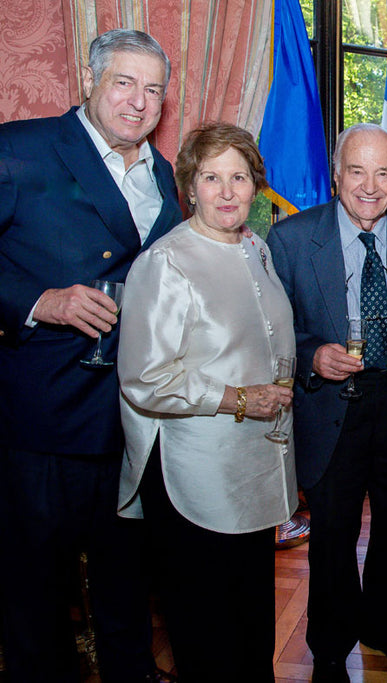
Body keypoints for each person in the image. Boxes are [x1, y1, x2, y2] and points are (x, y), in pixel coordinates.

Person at [0, 29, 180, 683]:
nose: (139, 101)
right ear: (90, 79)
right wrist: (38, 299)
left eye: (153, 88)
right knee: (36, 599)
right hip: (42, 419)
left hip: (132, 419)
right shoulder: (21, 150)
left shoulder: (164, 172)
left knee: (126, 585)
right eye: (124, 82)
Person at [118, 122, 297, 680]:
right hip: (194, 478)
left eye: (239, 177)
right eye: (211, 177)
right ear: (188, 188)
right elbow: (144, 380)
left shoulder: (255, 248)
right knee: (206, 641)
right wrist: (238, 397)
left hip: (254, 469)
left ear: (255, 186)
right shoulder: (165, 263)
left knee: (251, 634)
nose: (226, 191)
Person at [267, 123, 387, 682]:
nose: (370, 185)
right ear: (336, 175)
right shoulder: (290, 240)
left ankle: (385, 626)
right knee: (333, 537)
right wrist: (313, 357)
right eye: (357, 171)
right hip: (328, 406)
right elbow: (270, 333)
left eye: (383, 172)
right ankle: (331, 647)